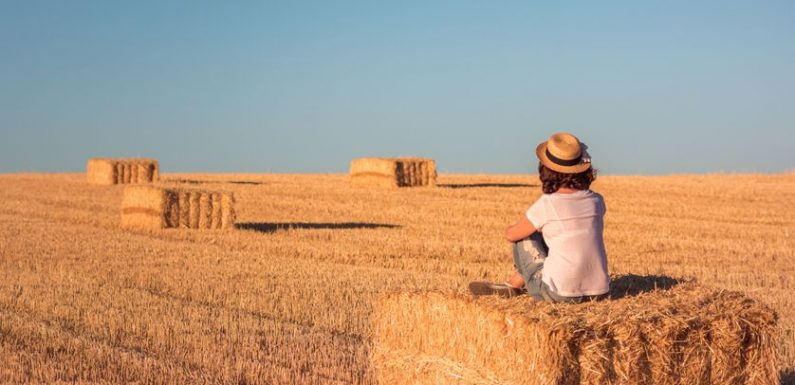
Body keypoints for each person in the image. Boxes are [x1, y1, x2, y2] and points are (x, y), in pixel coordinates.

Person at [469, 132, 610, 302]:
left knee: (527, 235)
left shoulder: (548, 203)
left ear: (546, 170)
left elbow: (511, 235)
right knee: (555, 233)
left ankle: (514, 285)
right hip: (600, 293)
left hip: (559, 294)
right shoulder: (597, 200)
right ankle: (514, 283)